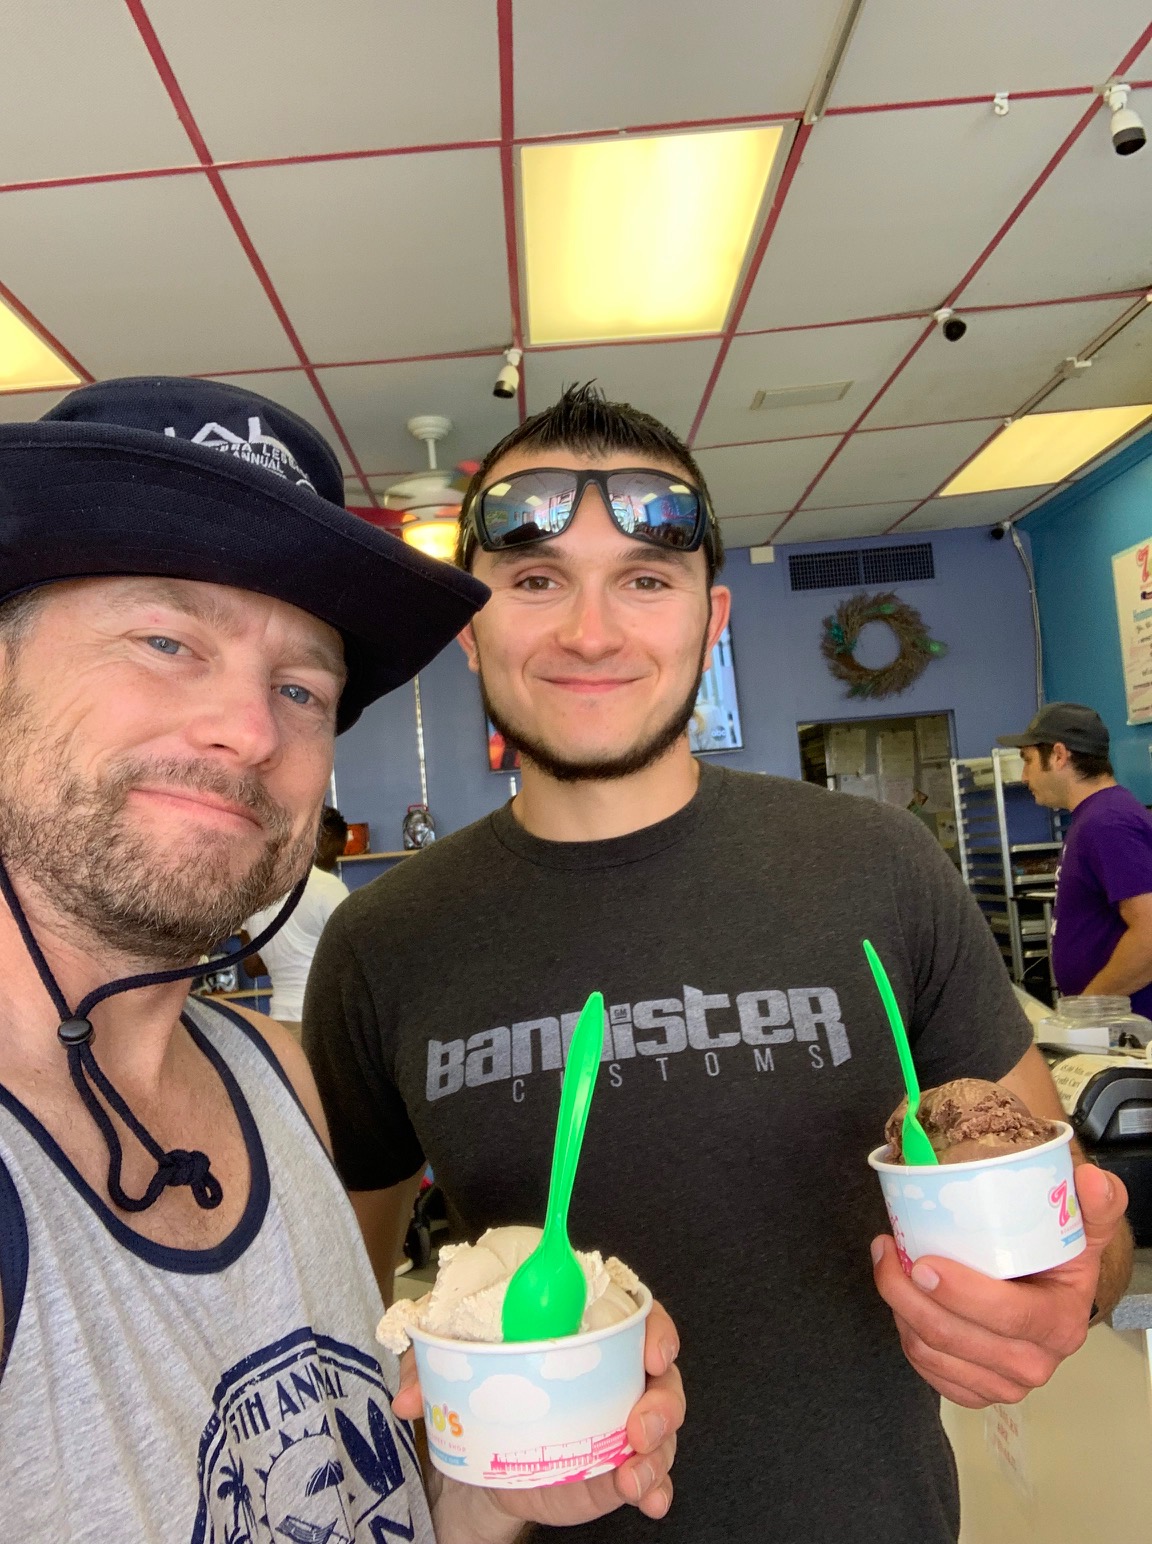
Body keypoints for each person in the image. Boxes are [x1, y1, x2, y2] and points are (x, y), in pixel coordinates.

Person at [305, 384, 1132, 1544]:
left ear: (714, 617)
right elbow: (336, 1322)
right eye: (536, 580)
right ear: (472, 623)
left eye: (646, 580)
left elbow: (1070, 1224)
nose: (591, 631)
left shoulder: (877, 867)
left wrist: (1062, 1289)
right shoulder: (381, 942)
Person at [0, 376, 683, 1541]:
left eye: (299, 686)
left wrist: (485, 1488)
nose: (249, 729)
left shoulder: (279, 1079)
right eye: (166, 639)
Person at [999, 701, 1152, 1018]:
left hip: (1132, 1030)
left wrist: (1083, 1011)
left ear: (1059, 755)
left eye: (1027, 760)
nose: (1024, 776)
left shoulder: (1108, 822)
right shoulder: (1093, 818)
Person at [244, 804, 351, 1040]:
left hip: (280, 1023)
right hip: (322, 1022)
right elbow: (353, 958)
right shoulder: (327, 886)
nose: (335, 861)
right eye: (337, 851)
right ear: (323, 838)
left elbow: (251, 965)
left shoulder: (257, 892)